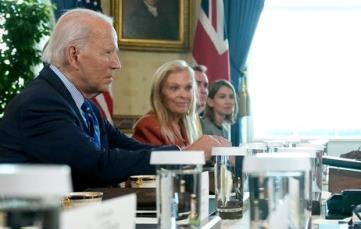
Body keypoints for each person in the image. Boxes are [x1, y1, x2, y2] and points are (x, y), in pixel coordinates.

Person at [0, 9, 227, 191]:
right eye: (108, 52)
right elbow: (97, 165)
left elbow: (130, 147)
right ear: (74, 55)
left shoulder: (83, 104)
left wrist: (183, 152)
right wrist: (188, 155)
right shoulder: (41, 103)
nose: (117, 63)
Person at [133, 60, 202, 147]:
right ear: (159, 93)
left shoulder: (185, 124)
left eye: (188, 88)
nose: (184, 95)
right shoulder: (148, 125)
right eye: (174, 88)